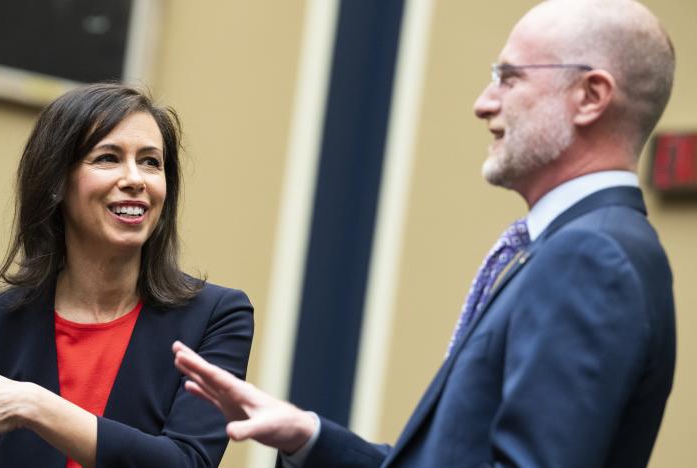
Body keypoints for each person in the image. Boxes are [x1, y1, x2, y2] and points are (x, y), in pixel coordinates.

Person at [172, 0, 677, 466]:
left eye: (509, 77)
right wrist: (310, 436)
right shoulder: (584, 246)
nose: (484, 103)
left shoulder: (589, 257)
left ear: (590, 97)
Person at [0, 83, 254, 467]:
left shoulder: (217, 317)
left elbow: (186, 463)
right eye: (108, 158)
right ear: (57, 181)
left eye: (150, 162)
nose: (136, 179)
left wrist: (34, 404)